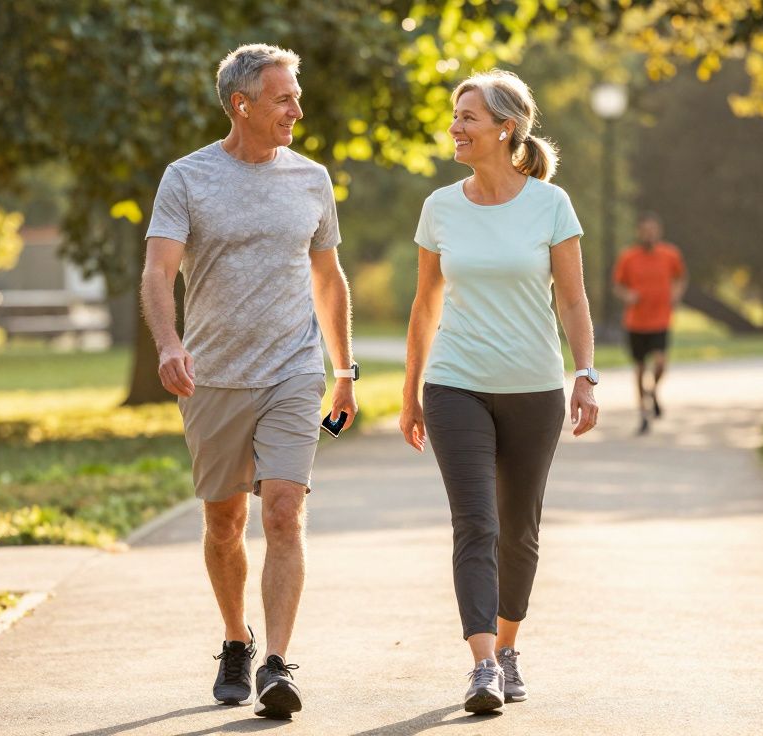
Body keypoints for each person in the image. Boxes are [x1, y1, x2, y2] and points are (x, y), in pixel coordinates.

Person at [140, 43, 357, 720]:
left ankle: (277, 663)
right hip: (214, 376)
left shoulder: (312, 179)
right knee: (224, 519)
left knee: (284, 510)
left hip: (294, 369)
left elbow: (328, 279)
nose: (298, 107)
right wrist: (169, 342)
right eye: (284, 97)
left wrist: (344, 371)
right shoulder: (187, 178)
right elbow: (157, 273)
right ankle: (237, 637)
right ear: (243, 104)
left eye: (296, 94)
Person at [399, 70, 598, 715]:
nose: (455, 127)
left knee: (519, 529)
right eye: (455, 117)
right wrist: (410, 393)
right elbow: (425, 305)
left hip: (534, 388)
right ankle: (483, 664)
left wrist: (586, 374)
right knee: (475, 524)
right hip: (456, 384)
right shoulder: (440, 207)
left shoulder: (550, 204)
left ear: (505, 127)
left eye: (468, 117)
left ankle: (508, 647)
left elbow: (572, 298)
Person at [612, 212, 687, 435]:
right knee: (639, 369)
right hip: (636, 322)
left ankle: (652, 392)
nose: (649, 234)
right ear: (639, 232)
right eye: (645, 231)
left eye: (653, 230)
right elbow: (617, 285)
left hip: (661, 319)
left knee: (661, 363)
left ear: (659, 232)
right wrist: (627, 296)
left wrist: (676, 294)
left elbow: (681, 277)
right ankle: (643, 414)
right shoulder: (628, 257)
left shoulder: (670, 254)